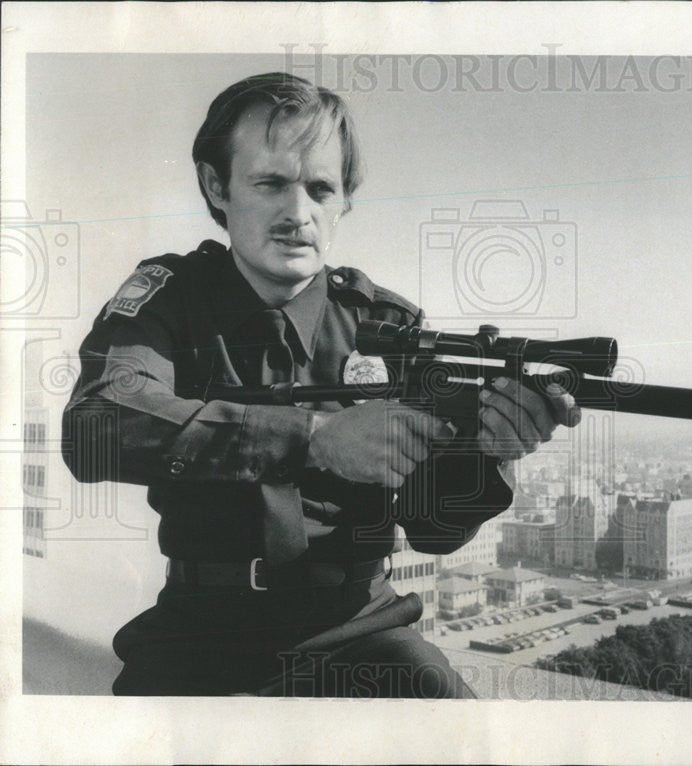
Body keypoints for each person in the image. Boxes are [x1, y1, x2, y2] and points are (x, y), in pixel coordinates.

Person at [62, 72, 580, 697]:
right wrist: (314, 439)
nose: (297, 213)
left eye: (320, 188)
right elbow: (96, 424)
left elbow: (433, 530)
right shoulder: (170, 300)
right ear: (216, 186)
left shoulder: (387, 326)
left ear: (343, 203)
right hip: (201, 632)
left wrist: (490, 454)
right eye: (271, 183)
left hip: (360, 627)